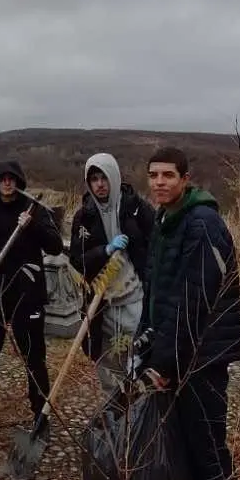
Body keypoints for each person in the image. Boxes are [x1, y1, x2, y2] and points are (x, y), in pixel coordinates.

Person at [138, 145, 240, 480]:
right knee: (184, 447)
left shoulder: (203, 225)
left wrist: (165, 362)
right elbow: (157, 294)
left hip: (202, 361)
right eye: (154, 175)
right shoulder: (165, 221)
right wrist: (145, 345)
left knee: (208, 450)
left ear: (186, 178)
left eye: (168, 175)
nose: (160, 182)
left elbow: (192, 302)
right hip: (175, 356)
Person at [0, 159, 63, 440]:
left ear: (19, 181)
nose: (7, 182)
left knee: (34, 359)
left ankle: (41, 419)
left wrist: (33, 227)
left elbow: (54, 244)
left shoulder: (33, 211)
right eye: (2, 178)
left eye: (12, 177)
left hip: (26, 296)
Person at [69, 152, 154, 394]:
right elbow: (77, 260)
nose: (100, 184)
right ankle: (113, 414)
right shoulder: (84, 216)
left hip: (135, 300)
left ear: (114, 177)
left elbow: (156, 249)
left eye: (104, 178)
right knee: (107, 363)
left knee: (138, 360)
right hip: (102, 304)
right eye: (94, 179)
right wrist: (104, 250)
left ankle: (138, 417)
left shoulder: (136, 209)